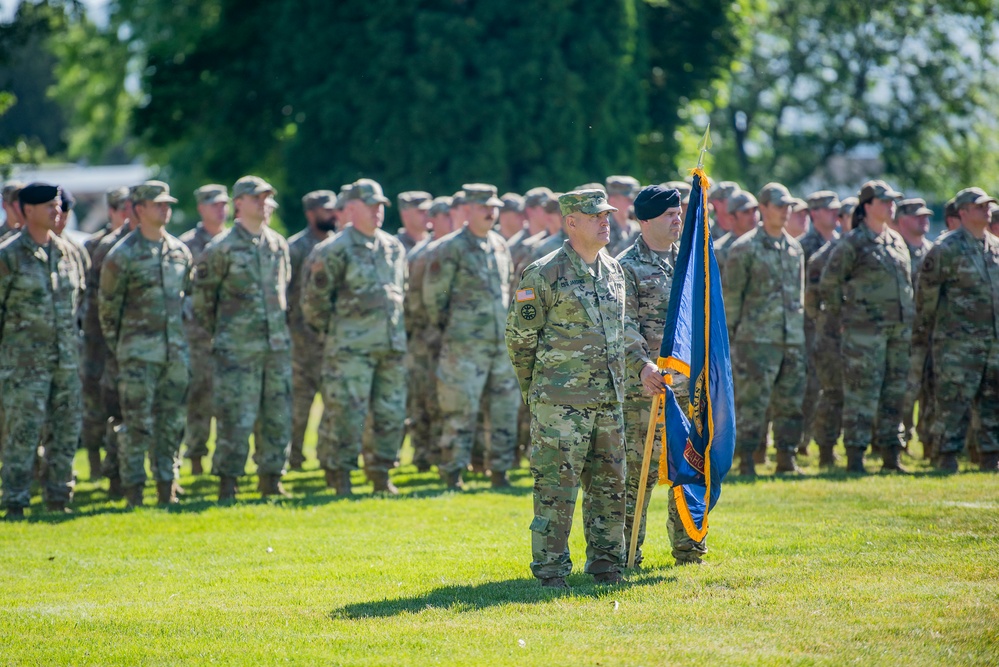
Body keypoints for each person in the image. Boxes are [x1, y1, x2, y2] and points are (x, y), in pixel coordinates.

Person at [506, 188, 630, 589]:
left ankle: (607, 565)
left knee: (611, 487)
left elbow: (619, 334)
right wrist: (538, 392)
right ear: (571, 222)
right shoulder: (543, 273)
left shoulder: (614, 271)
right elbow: (520, 339)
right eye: (595, 215)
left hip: (609, 402)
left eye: (607, 214)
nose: (605, 221)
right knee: (556, 491)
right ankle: (552, 571)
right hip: (559, 405)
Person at [301, 178, 407, 496]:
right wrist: (338, 335)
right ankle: (341, 474)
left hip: (390, 347)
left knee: (390, 414)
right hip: (350, 350)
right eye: (370, 206)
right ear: (350, 209)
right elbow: (314, 304)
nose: (378, 212)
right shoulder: (333, 250)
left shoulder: (393, 247)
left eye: (380, 207)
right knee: (347, 413)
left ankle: (380, 474)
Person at [617, 185, 704, 566]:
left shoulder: (689, 263)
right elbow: (623, 325)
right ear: (646, 220)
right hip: (647, 389)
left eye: (680, 212)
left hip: (689, 390)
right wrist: (641, 365)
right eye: (669, 214)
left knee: (689, 467)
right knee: (639, 475)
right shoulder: (624, 267)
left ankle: (689, 547)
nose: (678, 219)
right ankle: (627, 554)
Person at [193, 175, 292, 502]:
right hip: (236, 350)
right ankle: (228, 481)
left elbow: (283, 291)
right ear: (239, 203)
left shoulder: (278, 244)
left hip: (275, 347)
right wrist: (226, 335)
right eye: (256, 198)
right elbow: (203, 302)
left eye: (266, 198)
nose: (264, 204)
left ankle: (271, 478)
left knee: (276, 416)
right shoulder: (220, 249)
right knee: (235, 418)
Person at [99, 181, 192, 506]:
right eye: (157, 204)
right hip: (137, 356)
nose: (165, 209)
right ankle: (134, 491)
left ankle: (167, 489)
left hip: (174, 355)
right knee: (136, 426)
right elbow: (107, 311)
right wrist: (125, 348)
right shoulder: (121, 256)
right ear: (139, 209)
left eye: (167, 204)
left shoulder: (181, 252)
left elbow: (188, 301)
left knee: (172, 424)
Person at [423, 184, 519, 489]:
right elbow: (433, 298)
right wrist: (453, 330)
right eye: (483, 207)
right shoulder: (450, 248)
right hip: (464, 347)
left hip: (498, 347)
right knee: (459, 410)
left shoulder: (500, 246)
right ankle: (452, 474)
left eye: (494, 207)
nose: (490, 212)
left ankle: (500, 472)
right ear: (467, 210)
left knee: (504, 409)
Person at [0, 183, 85, 519]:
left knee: (66, 433)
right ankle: (16, 501)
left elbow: (80, 304)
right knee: (22, 434)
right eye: (49, 206)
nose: (57, 211)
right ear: (27, 210)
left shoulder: (70, 253)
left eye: (58, 205)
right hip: (24, 367)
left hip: (66, 362)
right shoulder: (8, 256)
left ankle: (59, 498)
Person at [819, 180, 913, 473]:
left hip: (897, 333)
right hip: (863, 334)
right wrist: (844, 321)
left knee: (894, 392)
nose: (890, 205)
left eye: (892, 201)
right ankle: (856, 455)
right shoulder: (853, 242)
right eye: (884, 201)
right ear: (868, 205)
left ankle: (890, 455)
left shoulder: (896, 241)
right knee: (861, 394)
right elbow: (830, 284)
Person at [911, 187, 999, 473]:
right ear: (962, 213)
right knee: (952, 402)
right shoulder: (945, 249)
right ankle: (946, 455)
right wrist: (927, 337)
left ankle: (990, 455)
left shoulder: (995, 247)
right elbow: (925, 299)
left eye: (988, 206)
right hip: (956, 343)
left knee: (991, 401)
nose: (987, 210)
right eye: (979, 207)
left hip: (992, 342)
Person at [723, 182, 806, 475]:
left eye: (788, 206)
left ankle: (786, 458)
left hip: (791, 339)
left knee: (790, 402)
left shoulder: (795, 249)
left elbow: (799, 296)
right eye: (780, 206)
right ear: (764, 208)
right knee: (751, 404)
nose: (786, 212)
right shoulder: (744, 248)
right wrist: (731, 339)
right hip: (755, 341)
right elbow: (732, 298)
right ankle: (746, 459)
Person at [80, 186, 131, 480]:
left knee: (121, 403)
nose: (126, 213)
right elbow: (90, 299)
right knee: (95, 403)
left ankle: (120, 466)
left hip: (123, 341)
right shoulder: (96, 247)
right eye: (121, 208)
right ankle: (95, 462)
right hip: (97, 339)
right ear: (111, 211)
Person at [179, 184, 229, 474]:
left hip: (231, 333)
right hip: (198, 336)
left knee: (229, 398)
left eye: (223, 204)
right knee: (199, 397)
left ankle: (226, 460)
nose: (220, 209)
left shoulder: (236, 241)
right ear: (201, 208)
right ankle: (196, 457)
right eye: (214, 205)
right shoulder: (187, 245)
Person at [286, 190, 337, 470]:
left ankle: (326, 456)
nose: (332, 214)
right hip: (301, 342)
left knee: (333, 403)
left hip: (331, 341)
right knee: (298, 406)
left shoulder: (339, 245)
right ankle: (293, 457)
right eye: (325, 209)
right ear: (311, 213)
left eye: (334, 209)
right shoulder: (295, 248)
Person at [404, 197, 454, 473]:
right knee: (423, 398)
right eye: (446, 216)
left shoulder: (454, 249)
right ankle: (423, 453)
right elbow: (411, 301)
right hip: (425, 338)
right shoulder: (422, 254)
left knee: (444, 398)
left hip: (449, 338)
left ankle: (442, 452)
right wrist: (422, 332)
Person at [797, 191, 842, 455]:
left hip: (835, 330)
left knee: (833, 387)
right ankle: (801, 441)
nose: (834, 214)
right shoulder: (804, 246)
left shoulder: (842, 244)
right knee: (809, 386)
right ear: (814, 214)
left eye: (836, 209)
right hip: (809, 327)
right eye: (828, 210)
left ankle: (826, 441)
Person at [714, 190, 759, 280]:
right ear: (732, 218)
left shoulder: (767, 244)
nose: (753, 216)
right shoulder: (719, 251)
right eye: (746, 212)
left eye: (754, 210)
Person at [605, 175, 641, 256]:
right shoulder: (603, 229)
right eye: (629, 200)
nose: (633, 204)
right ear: (612, 201)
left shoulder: (638, 227)